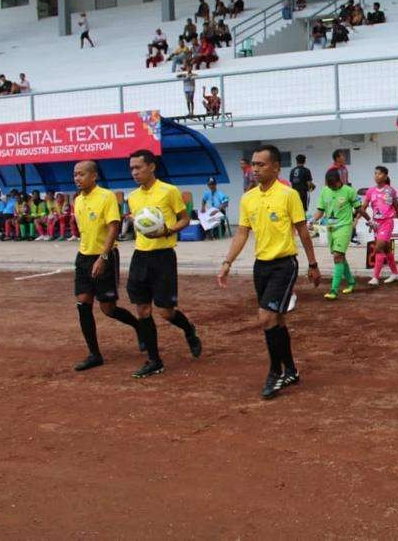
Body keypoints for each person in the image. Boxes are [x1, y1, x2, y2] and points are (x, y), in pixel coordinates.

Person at [218, 145, 321, 399]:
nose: (255, 169)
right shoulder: (248, 198)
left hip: (285, 264)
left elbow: (302, 231)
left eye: (261, 164)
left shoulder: (288, 195)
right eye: (253, 164)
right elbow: (242, 233)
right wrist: (227, 262)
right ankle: (292, 371)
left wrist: (313, 264)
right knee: (277, 320)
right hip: (260, 266)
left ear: (276, 167)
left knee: (266, 317)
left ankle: (275, 373)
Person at [124, 149, 202, 378]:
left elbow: (185, 219)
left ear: (151, 167)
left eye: (138, 167)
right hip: (140, 256)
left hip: (163, 256)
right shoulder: (133, 197)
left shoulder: (169, 191)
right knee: (142, 309)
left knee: (166, 312)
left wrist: (168, 230)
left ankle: (188, 329)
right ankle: (154, 360)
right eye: (132, 169)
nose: (134, 172)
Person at [69, 160, 143, 371]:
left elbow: (114, 227)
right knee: (83, 303)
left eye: (81, 174)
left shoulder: (106, 196)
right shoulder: (78, 200)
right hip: (83, 257)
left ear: (94, 176)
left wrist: (103, 257)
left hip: (105, 256)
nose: (77, 178)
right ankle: (94, 354)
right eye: (75, 174)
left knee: (108, 308)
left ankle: (138, 326)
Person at [313, 168, 362, 300]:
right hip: (330, 229)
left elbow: (359, 208)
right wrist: (311, 220)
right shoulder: (325, 191)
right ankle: (351, 282)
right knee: (340, 257)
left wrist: (356, 220)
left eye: (333, 184)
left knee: (337, 256)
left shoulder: (349, 191)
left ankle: (334, 290)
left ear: (339, 181)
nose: (331, 187)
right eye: (328, 185)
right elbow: (320, 210)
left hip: (345, 227)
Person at [363, 166, 398, 286]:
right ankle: (395, 273)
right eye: (375, 173)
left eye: (379, 174)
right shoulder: (370, 191)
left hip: (387, 222)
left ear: (385, 176)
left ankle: (375, 277)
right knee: (386, 249)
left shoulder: (391, 191)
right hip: (376, 224)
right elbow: (363, 207)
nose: (377, 176)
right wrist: (357, 219)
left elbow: (397, 209)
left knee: (378, 248)